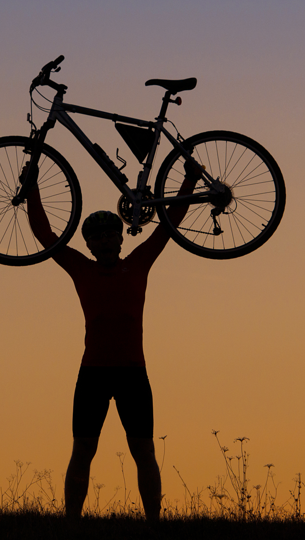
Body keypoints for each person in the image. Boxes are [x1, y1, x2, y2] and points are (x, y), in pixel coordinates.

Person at [24, 162, 201, 522]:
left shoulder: (137, 264)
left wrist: (191, 180)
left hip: (133, 374)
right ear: (88, 244)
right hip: (93, 374)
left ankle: (154, 524)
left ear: (121, 239)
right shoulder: (81, 268)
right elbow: (44, 233)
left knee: (144, 451)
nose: (105, 241)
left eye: (110, 235)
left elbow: (168, 226)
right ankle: (71, 523)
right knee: (82, 450)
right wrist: (32, 186)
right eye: (97, 237)